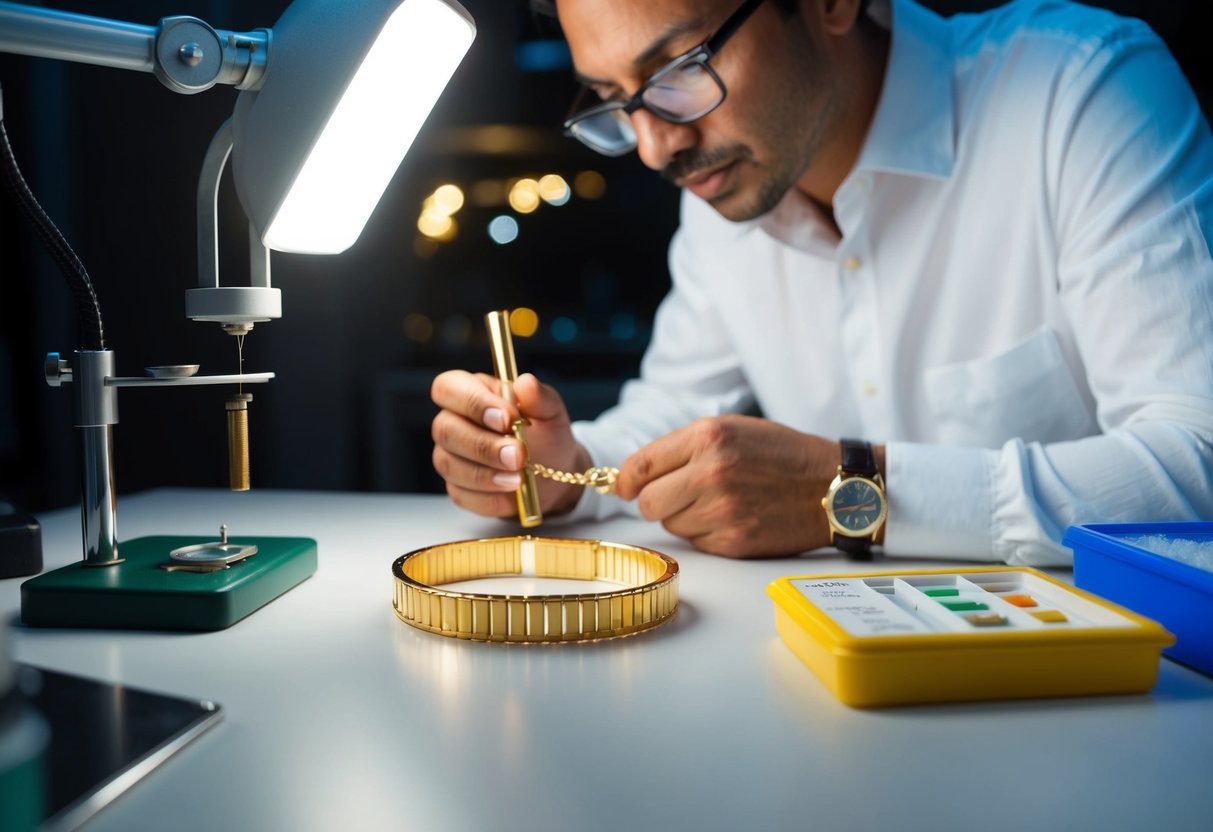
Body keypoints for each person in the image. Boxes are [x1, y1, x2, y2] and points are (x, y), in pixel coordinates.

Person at [430, 0, 1213, 564]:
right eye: (610, 99)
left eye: (678, 69)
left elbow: (1197, 464)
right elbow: (671, 417)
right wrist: (559, 468)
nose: (653, 147)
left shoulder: (1078, 94)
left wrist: (848, 493)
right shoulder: (724, 187)